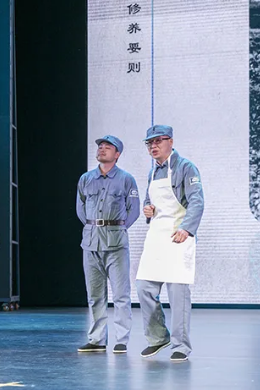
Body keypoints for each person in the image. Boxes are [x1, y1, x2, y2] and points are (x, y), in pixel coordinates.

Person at [135, 125, 204, 362]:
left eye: (158, 141)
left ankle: (181, 345)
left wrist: (186, 228)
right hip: (156, 236)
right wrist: (148, 209)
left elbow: (197, 201)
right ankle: (158, 338)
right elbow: (149, 200)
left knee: (177, 294)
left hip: (178, 235)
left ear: (170, 142)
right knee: (144, 287)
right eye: (149, 143)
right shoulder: (152, 172)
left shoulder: (185, 167)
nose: (153, 146)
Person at [76, 135, 140, 354]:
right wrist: (93, 227)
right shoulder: (86, 179)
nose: (102, 149)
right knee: (95, 295)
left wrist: (118, 228)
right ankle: (97, 339)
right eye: (100, 146)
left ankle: (121, 339)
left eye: (107, 147)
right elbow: (80, 207)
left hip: (116, 244)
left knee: (121, 295)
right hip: (90, 243)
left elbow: (134, 209)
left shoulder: (126, 179)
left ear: (117, 154)